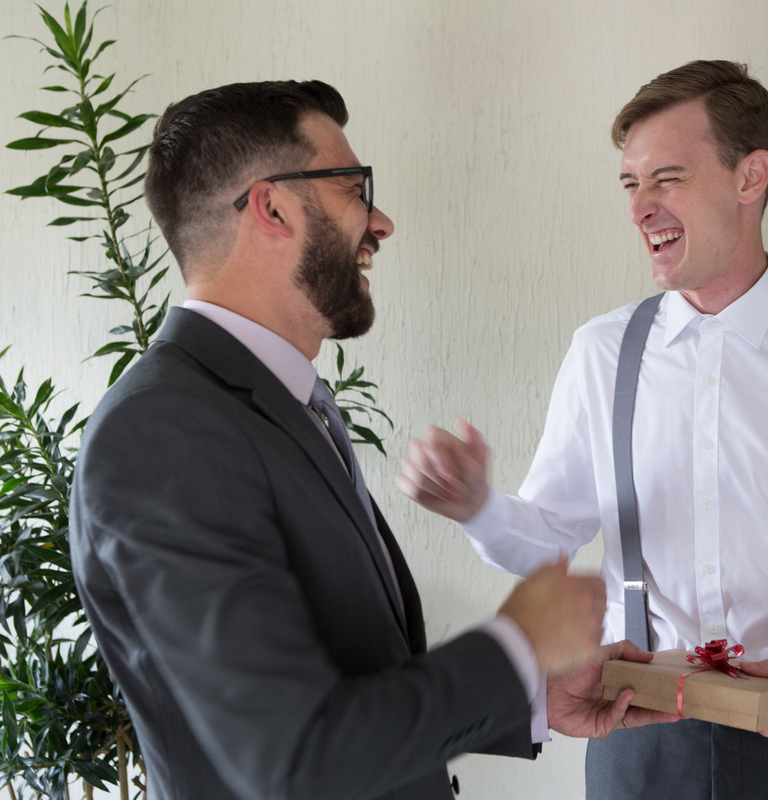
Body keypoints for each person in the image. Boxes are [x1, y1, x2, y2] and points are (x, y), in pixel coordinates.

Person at [397, 60, 768, 799]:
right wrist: (477, 508)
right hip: (635, 741)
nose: (639, 209)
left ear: (751, 176)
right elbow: (549, 541)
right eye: (630, 184)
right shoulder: (601, 352)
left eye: (667, 178)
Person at [70, 79, 670, 800]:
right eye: (355, 190)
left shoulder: (287, 404)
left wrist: (532, 695)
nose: (380, 222)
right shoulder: (163, 432)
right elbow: (293, 758)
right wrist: (516, 645)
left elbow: (347, 686)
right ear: (273, 207)